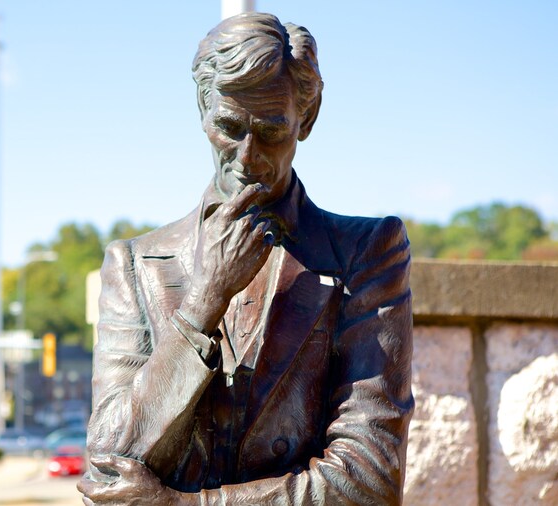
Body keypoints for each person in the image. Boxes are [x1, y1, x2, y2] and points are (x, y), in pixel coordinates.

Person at [77, 12, 414, 506]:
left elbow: (369, 479)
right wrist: (202, 303)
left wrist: (188, 505)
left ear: (308, 117)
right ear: (202, 109)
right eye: (228, 127)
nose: (247, 156)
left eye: (271, 132)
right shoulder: (134, 265)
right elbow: (107, 468)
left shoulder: (365, 252)